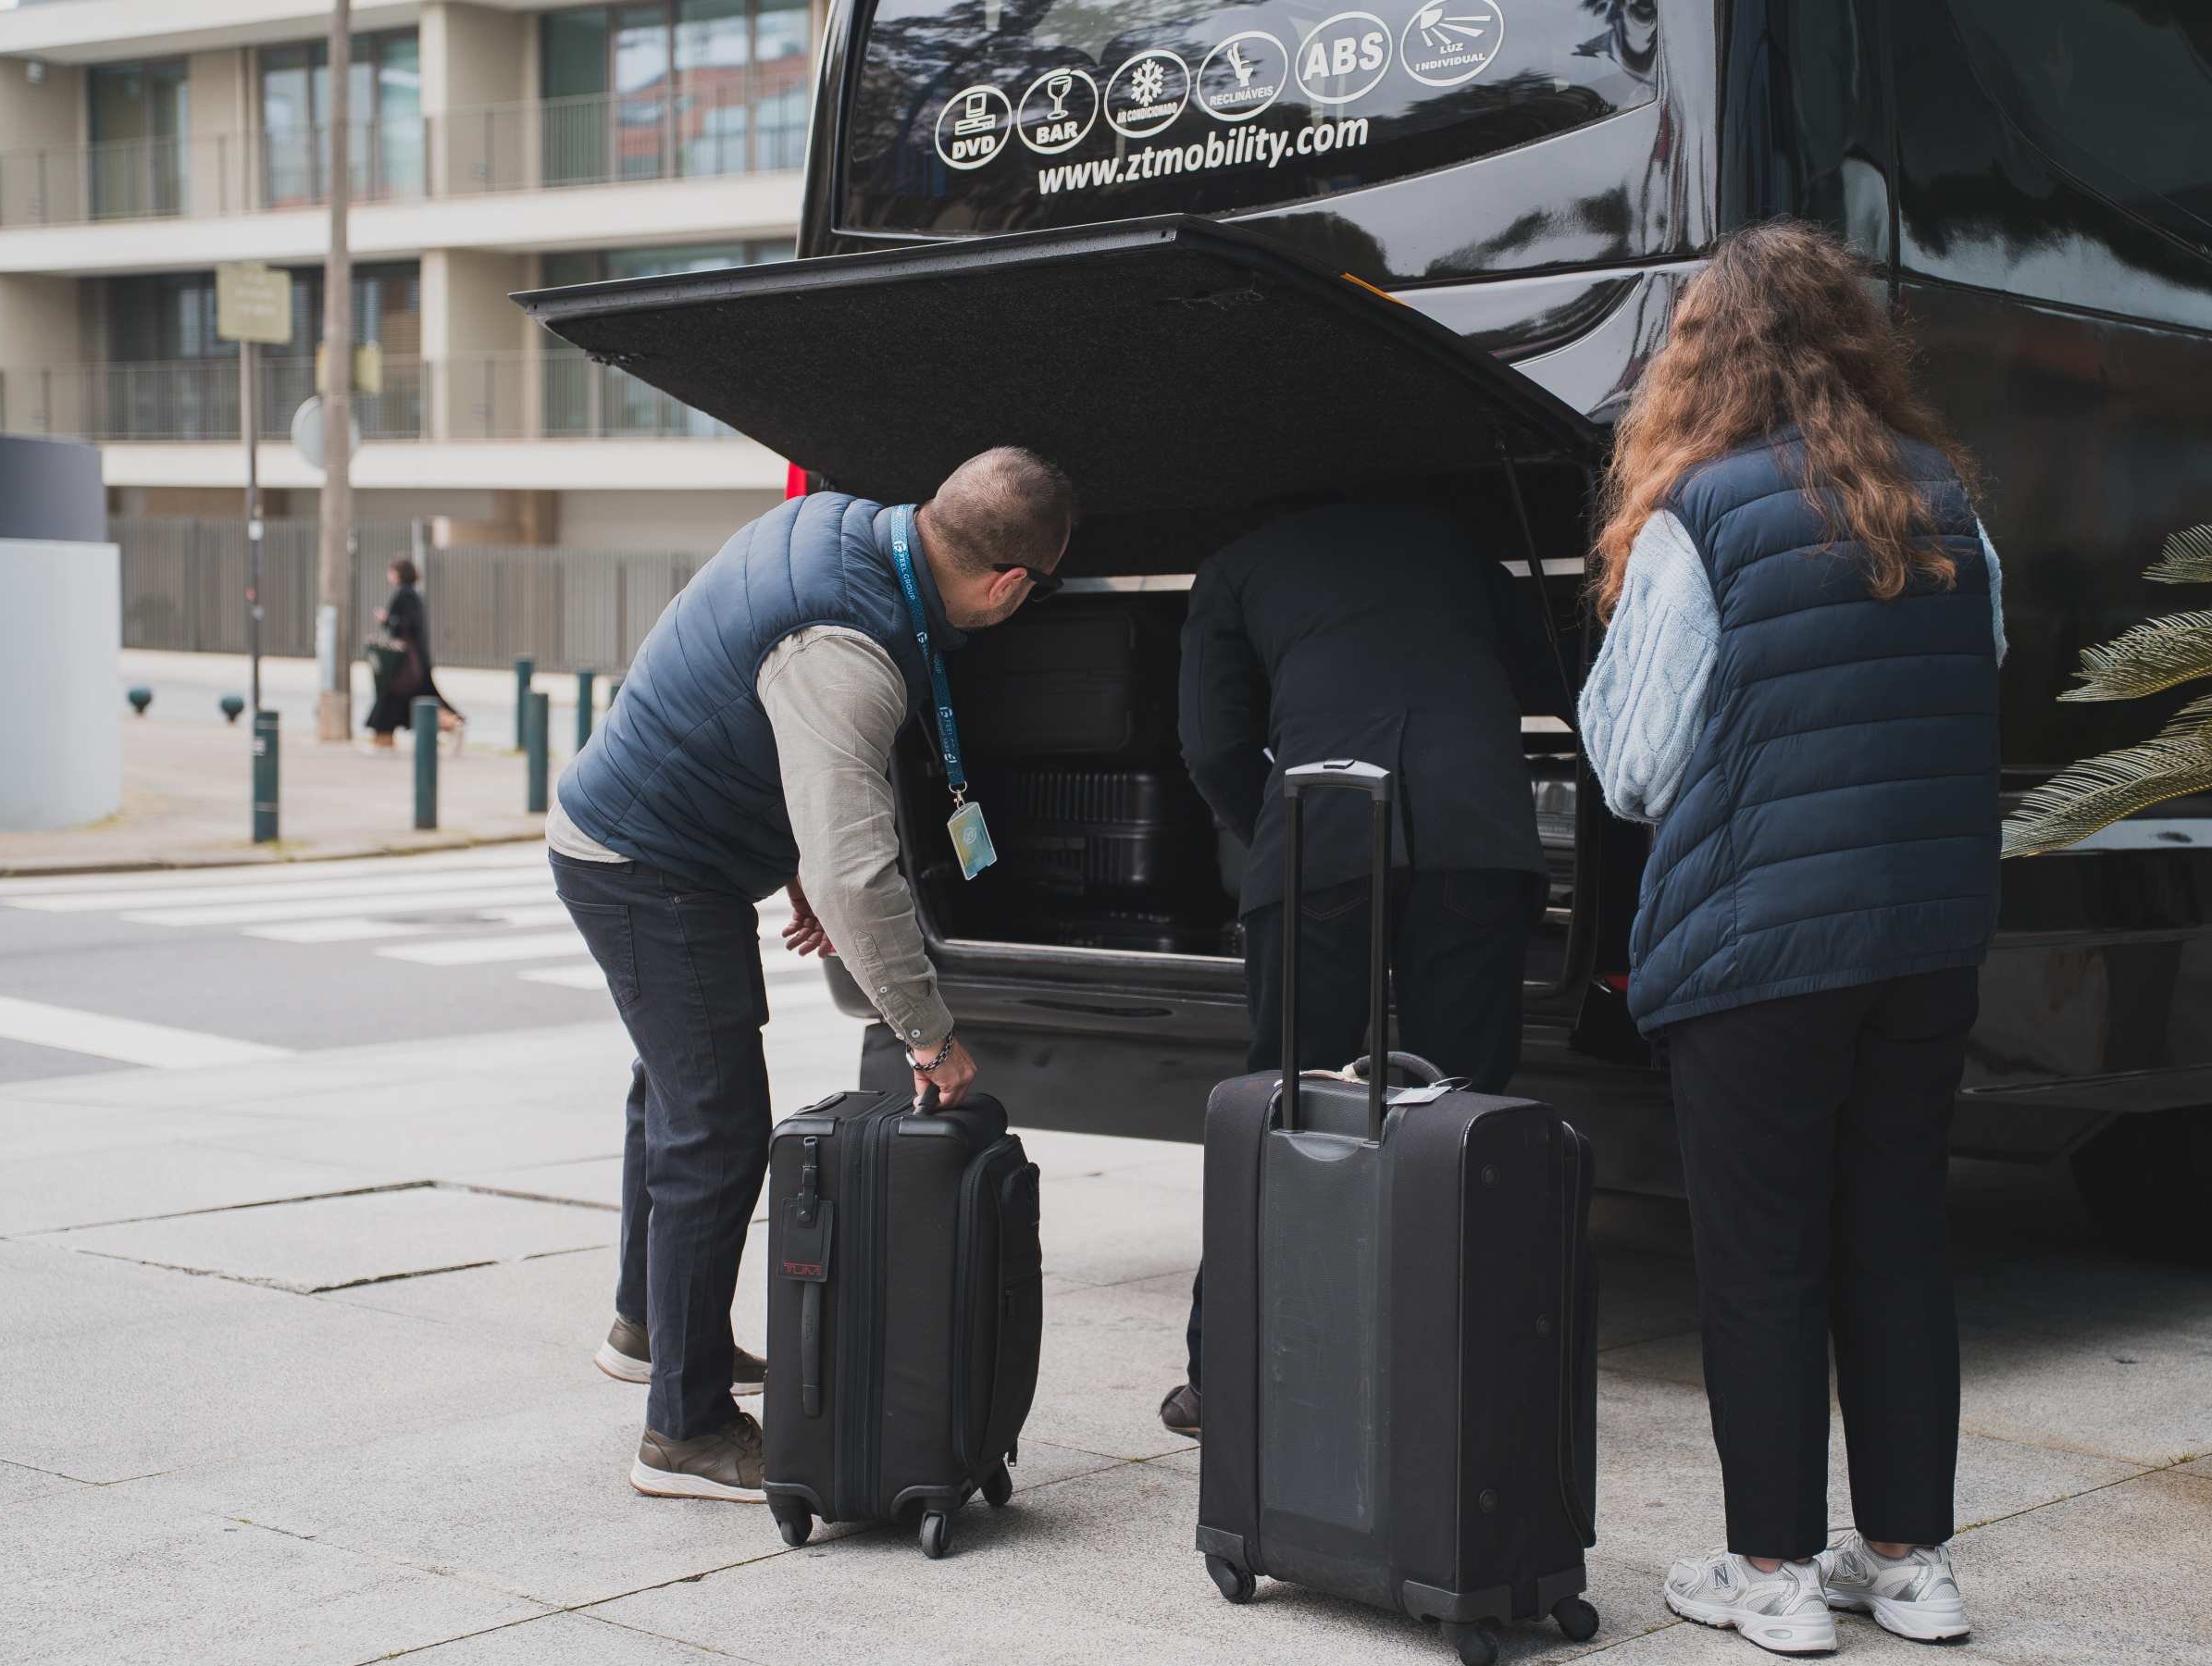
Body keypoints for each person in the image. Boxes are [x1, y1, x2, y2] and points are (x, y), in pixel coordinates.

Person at [1579, 220, 2003, 1654]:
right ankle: (1909, 1565)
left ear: (1701, 360)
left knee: (1761, 1257)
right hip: (1926, 934)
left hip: (1757, 945)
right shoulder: (1949, 501)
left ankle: (1770, 1571)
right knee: (1894, 1239)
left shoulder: (1700, 516)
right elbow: (1972, 681)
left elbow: (1634, 767)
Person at [547, 447, 1076, 1502]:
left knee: (675, 1090)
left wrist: (784, 855)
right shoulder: (847, 644)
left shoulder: (841, 523)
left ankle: (651, 1330)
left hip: (642, 834)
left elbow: (753, 707)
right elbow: (856, 868)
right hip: (647, 865)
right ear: (1012, 583)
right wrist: (926, 1031)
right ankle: (685, 1432)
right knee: (715, 1125)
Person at [1159, 495, 1568, 1439]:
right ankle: (1466, 1368)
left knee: (1285, 1108)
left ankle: (1228, 1379)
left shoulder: (1238, 558)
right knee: (1462, 1113)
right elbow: (1555, 674)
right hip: (1476, 831)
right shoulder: (1453, 538)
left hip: (1319, 832)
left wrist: (1267, 828)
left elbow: (1212, 740)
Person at [365, 559, 462, 748]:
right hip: (415, 661)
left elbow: (404, 626)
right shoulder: (413, 595)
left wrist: (387, 619)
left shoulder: (404, 595)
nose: (389, 575)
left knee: (401, 698)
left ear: (399, 574)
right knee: (418, 699)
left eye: (392, 571)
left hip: (406, 664)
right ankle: (448, 724)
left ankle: (450, 724)